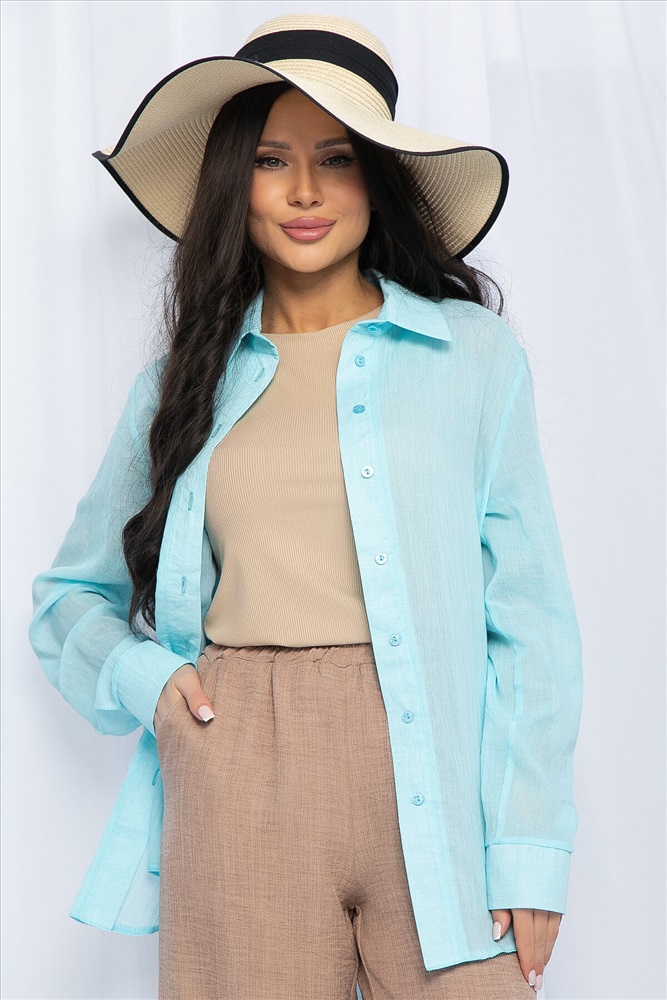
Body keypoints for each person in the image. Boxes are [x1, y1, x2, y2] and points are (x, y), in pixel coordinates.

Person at [29, 12, 583, 1000]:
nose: (303, 192)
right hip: (238, 766)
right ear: (232, 180)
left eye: (336, 159)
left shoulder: (471, 355)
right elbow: (69, 597)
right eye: (271, 160)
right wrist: (149, 680)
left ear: (378, 179)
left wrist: (530, 845)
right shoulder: (177, 387)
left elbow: (530, 618)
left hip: (435, 769)